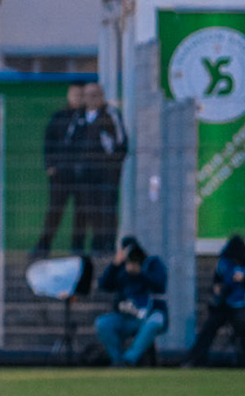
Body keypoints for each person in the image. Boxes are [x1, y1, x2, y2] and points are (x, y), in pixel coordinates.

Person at [184, 236, 245, 369]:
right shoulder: (224, 264)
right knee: (209, 328)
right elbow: (216, 281)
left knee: (244, 326)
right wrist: (216, 288)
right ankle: (194, 360)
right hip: (225, 304)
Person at [94, 236, 168, 367]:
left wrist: (141, 273)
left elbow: (160, 285)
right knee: (103, 324)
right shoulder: (122, 267)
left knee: (155, 322)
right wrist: (114, 265)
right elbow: (104, 285)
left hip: (148, 315)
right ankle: (118, 360)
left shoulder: (152, 263)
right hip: (126, 316)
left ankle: (129, 359)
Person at [31, 83, 85, 255]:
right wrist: (51, 166)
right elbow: (49, 141)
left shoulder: (87, 118)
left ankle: (77, 247)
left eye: (80, 95)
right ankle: (43, 245)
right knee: (55, 210)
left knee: (82, 212)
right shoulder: (59, 117)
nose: (76, 98)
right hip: (60, 173)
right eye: (74, 94)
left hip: (80, 174)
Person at [74, 82, 127, 255]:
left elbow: (121, 142)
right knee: (87, 211)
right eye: (88, 95)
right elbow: (70, 142)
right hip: (85, 174)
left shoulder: (110, 115)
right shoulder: (78, 116)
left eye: (95, 95)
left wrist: (112, 166)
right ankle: (83, 247)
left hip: (106, 174)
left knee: (107, 210)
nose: (91, 99)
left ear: (102, 96)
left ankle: (106, 246)